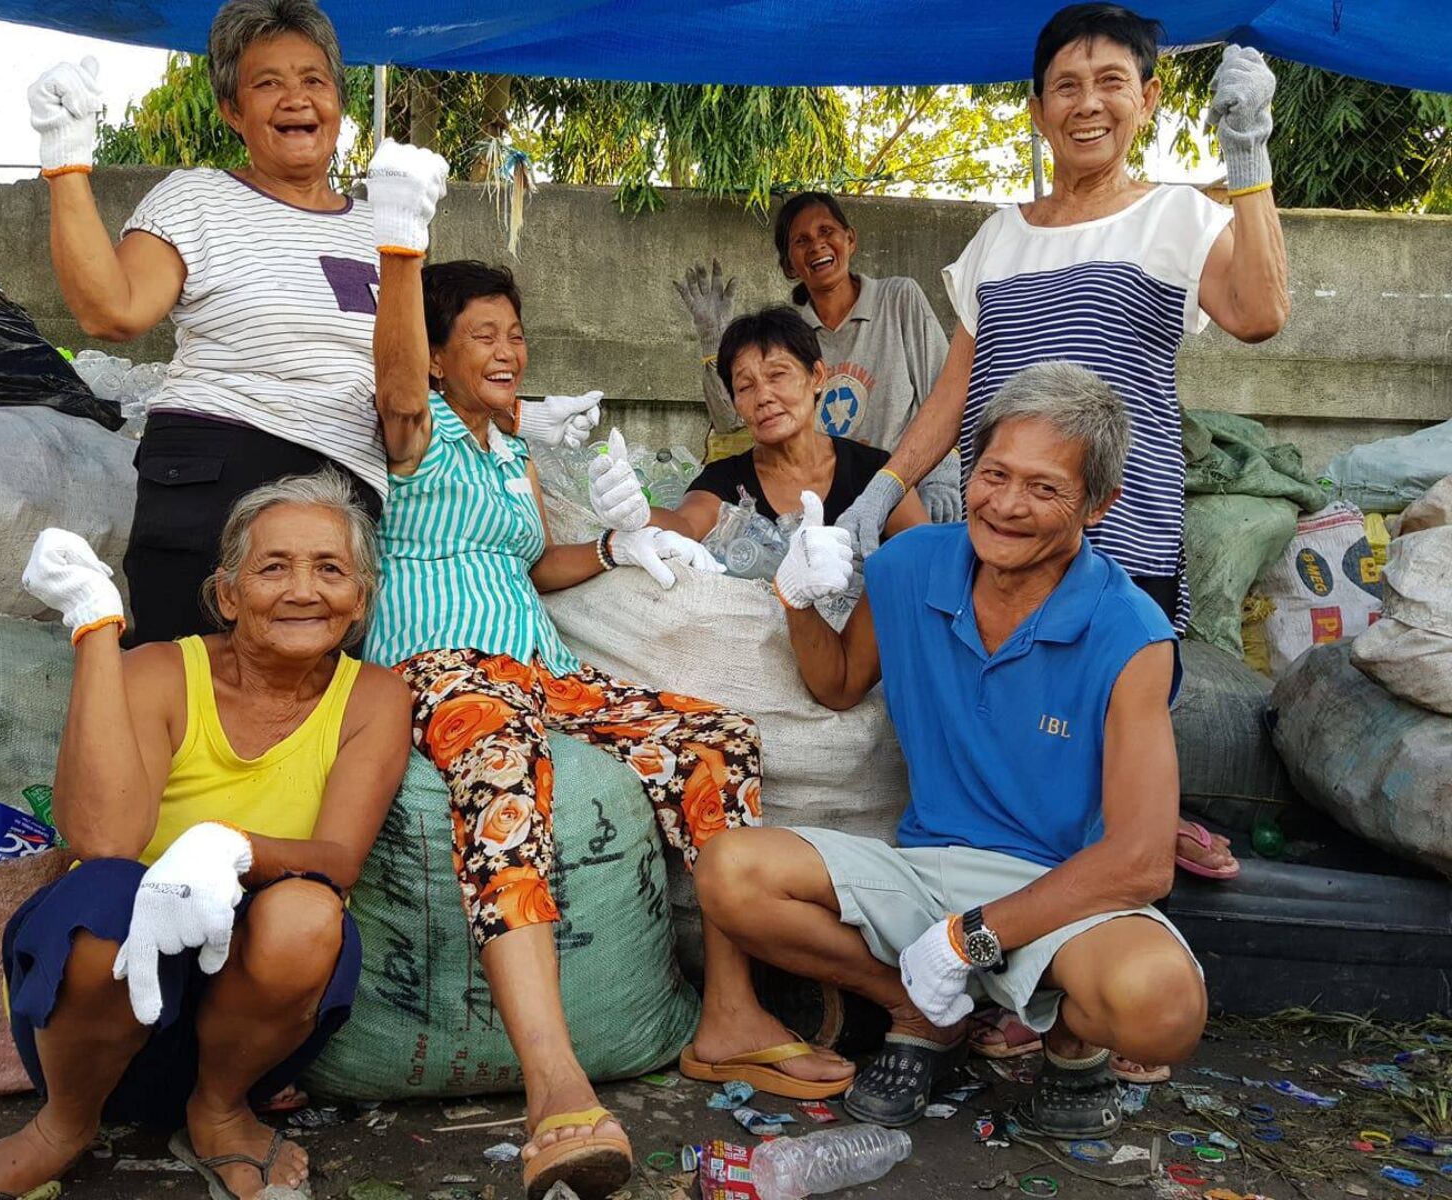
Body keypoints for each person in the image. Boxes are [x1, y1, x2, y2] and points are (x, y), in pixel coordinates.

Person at [363, 139, 853, 1199]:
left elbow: (537, 564)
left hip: (534, 662)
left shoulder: (510, 452)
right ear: (437, 354)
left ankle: (725, 1012)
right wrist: (400, 237)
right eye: (482, 334)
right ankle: (552, 1084)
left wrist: (626, 546)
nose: (509, 348)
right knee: (503, 779)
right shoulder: (416, 432)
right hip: (439, 666)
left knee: (710, 736)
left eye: (516, 331)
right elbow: (395, 380)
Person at [694, 361, 1207, 1137]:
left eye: (1044, 488)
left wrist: (973, 937)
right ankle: (920, 1010)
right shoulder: (909, 566)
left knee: (1162, 1007)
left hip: (1061, 885)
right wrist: (795, 596)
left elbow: (1139, 862)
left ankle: (1068, 1039)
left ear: (1097, 505)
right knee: (729, 872)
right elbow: (837, 684)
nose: (1005, 505)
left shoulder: (1130, 631)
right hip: (924, 865)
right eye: (994, 474)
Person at [835, 4, 1285, 884]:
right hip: (1002, 530)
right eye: (1066, 86)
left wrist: (1248, 157)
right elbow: (955, 389)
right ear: (1037, 108)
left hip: (1124, 528)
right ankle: (1002, 921)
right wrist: (882, 490)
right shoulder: (999, 237)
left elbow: (1261, 314)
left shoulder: (1178, 218)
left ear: (1148, 98)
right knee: (1011, 738)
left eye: (1111, 83)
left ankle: (1119, 875)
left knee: (1106, 728)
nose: (1088, 104)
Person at [26, 0, 600, 645]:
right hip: (221, 459)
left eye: (313, 80)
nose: (295, 98)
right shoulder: (197, 197)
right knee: (189, 683)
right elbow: (111, 313)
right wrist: (67, 163)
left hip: (347, 489)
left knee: (314, 713)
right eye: (267, 83)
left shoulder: (381, 224)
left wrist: (526, 415)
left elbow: (409, 392)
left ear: (338, 103)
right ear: (232, 111)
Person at [0, 469, 411, 1200]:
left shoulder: (374, 696)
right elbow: (103, 839)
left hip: (245, 1026)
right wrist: (95, 630)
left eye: (330, 569)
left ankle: (218, 1112)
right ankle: (62, 1126)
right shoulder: (160, 670)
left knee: (309, 911)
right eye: (273, 567)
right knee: (108, 900)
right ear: (227, 595)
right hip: (98, 1012)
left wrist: (234, 849)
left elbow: (339, 858)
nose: (304, 589)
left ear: (361, 600)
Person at [674, 194, 960, 522]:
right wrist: (713, 345)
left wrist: (942, 474)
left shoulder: (898, 299)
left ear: (849, 238)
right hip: (821, 504)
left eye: (827, 232)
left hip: (900, 489)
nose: (817, 246)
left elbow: (946, 394)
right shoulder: (788, 335)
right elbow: (732, 421)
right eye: (802, 240)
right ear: (789, 264)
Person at [587, 306, 928, 544]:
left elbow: (926, 557)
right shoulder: (726, 481)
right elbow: (686, 525)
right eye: (745, 386)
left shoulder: (874, 473)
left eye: (778, 375)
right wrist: (637, 513)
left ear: (817, 376)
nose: (763, 397)